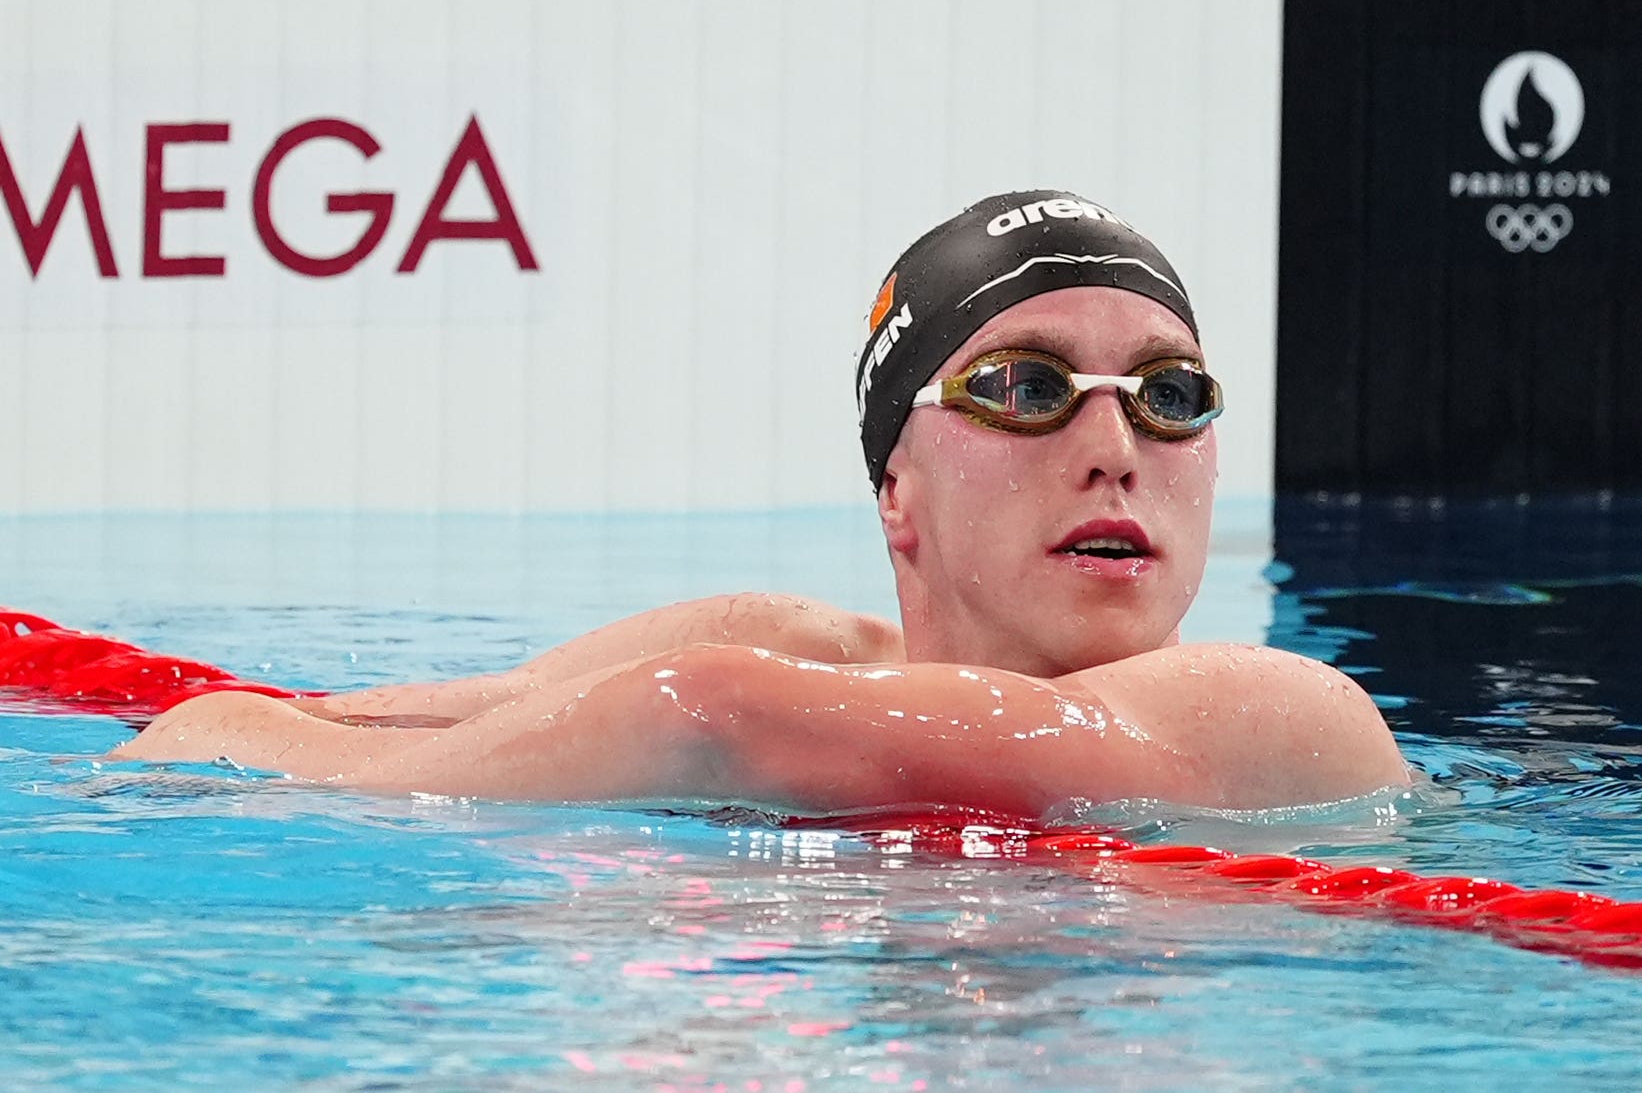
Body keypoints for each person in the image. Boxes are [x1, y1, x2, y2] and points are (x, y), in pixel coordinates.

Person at [111, 190, 1409, 815]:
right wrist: (244, 724)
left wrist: (240, 753)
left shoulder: (1287, 718)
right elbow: (429, 711)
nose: (1115, 443)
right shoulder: (795, 649)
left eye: (1170, 395)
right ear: (893, 489)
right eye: (1025, 386)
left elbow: (707, 720)